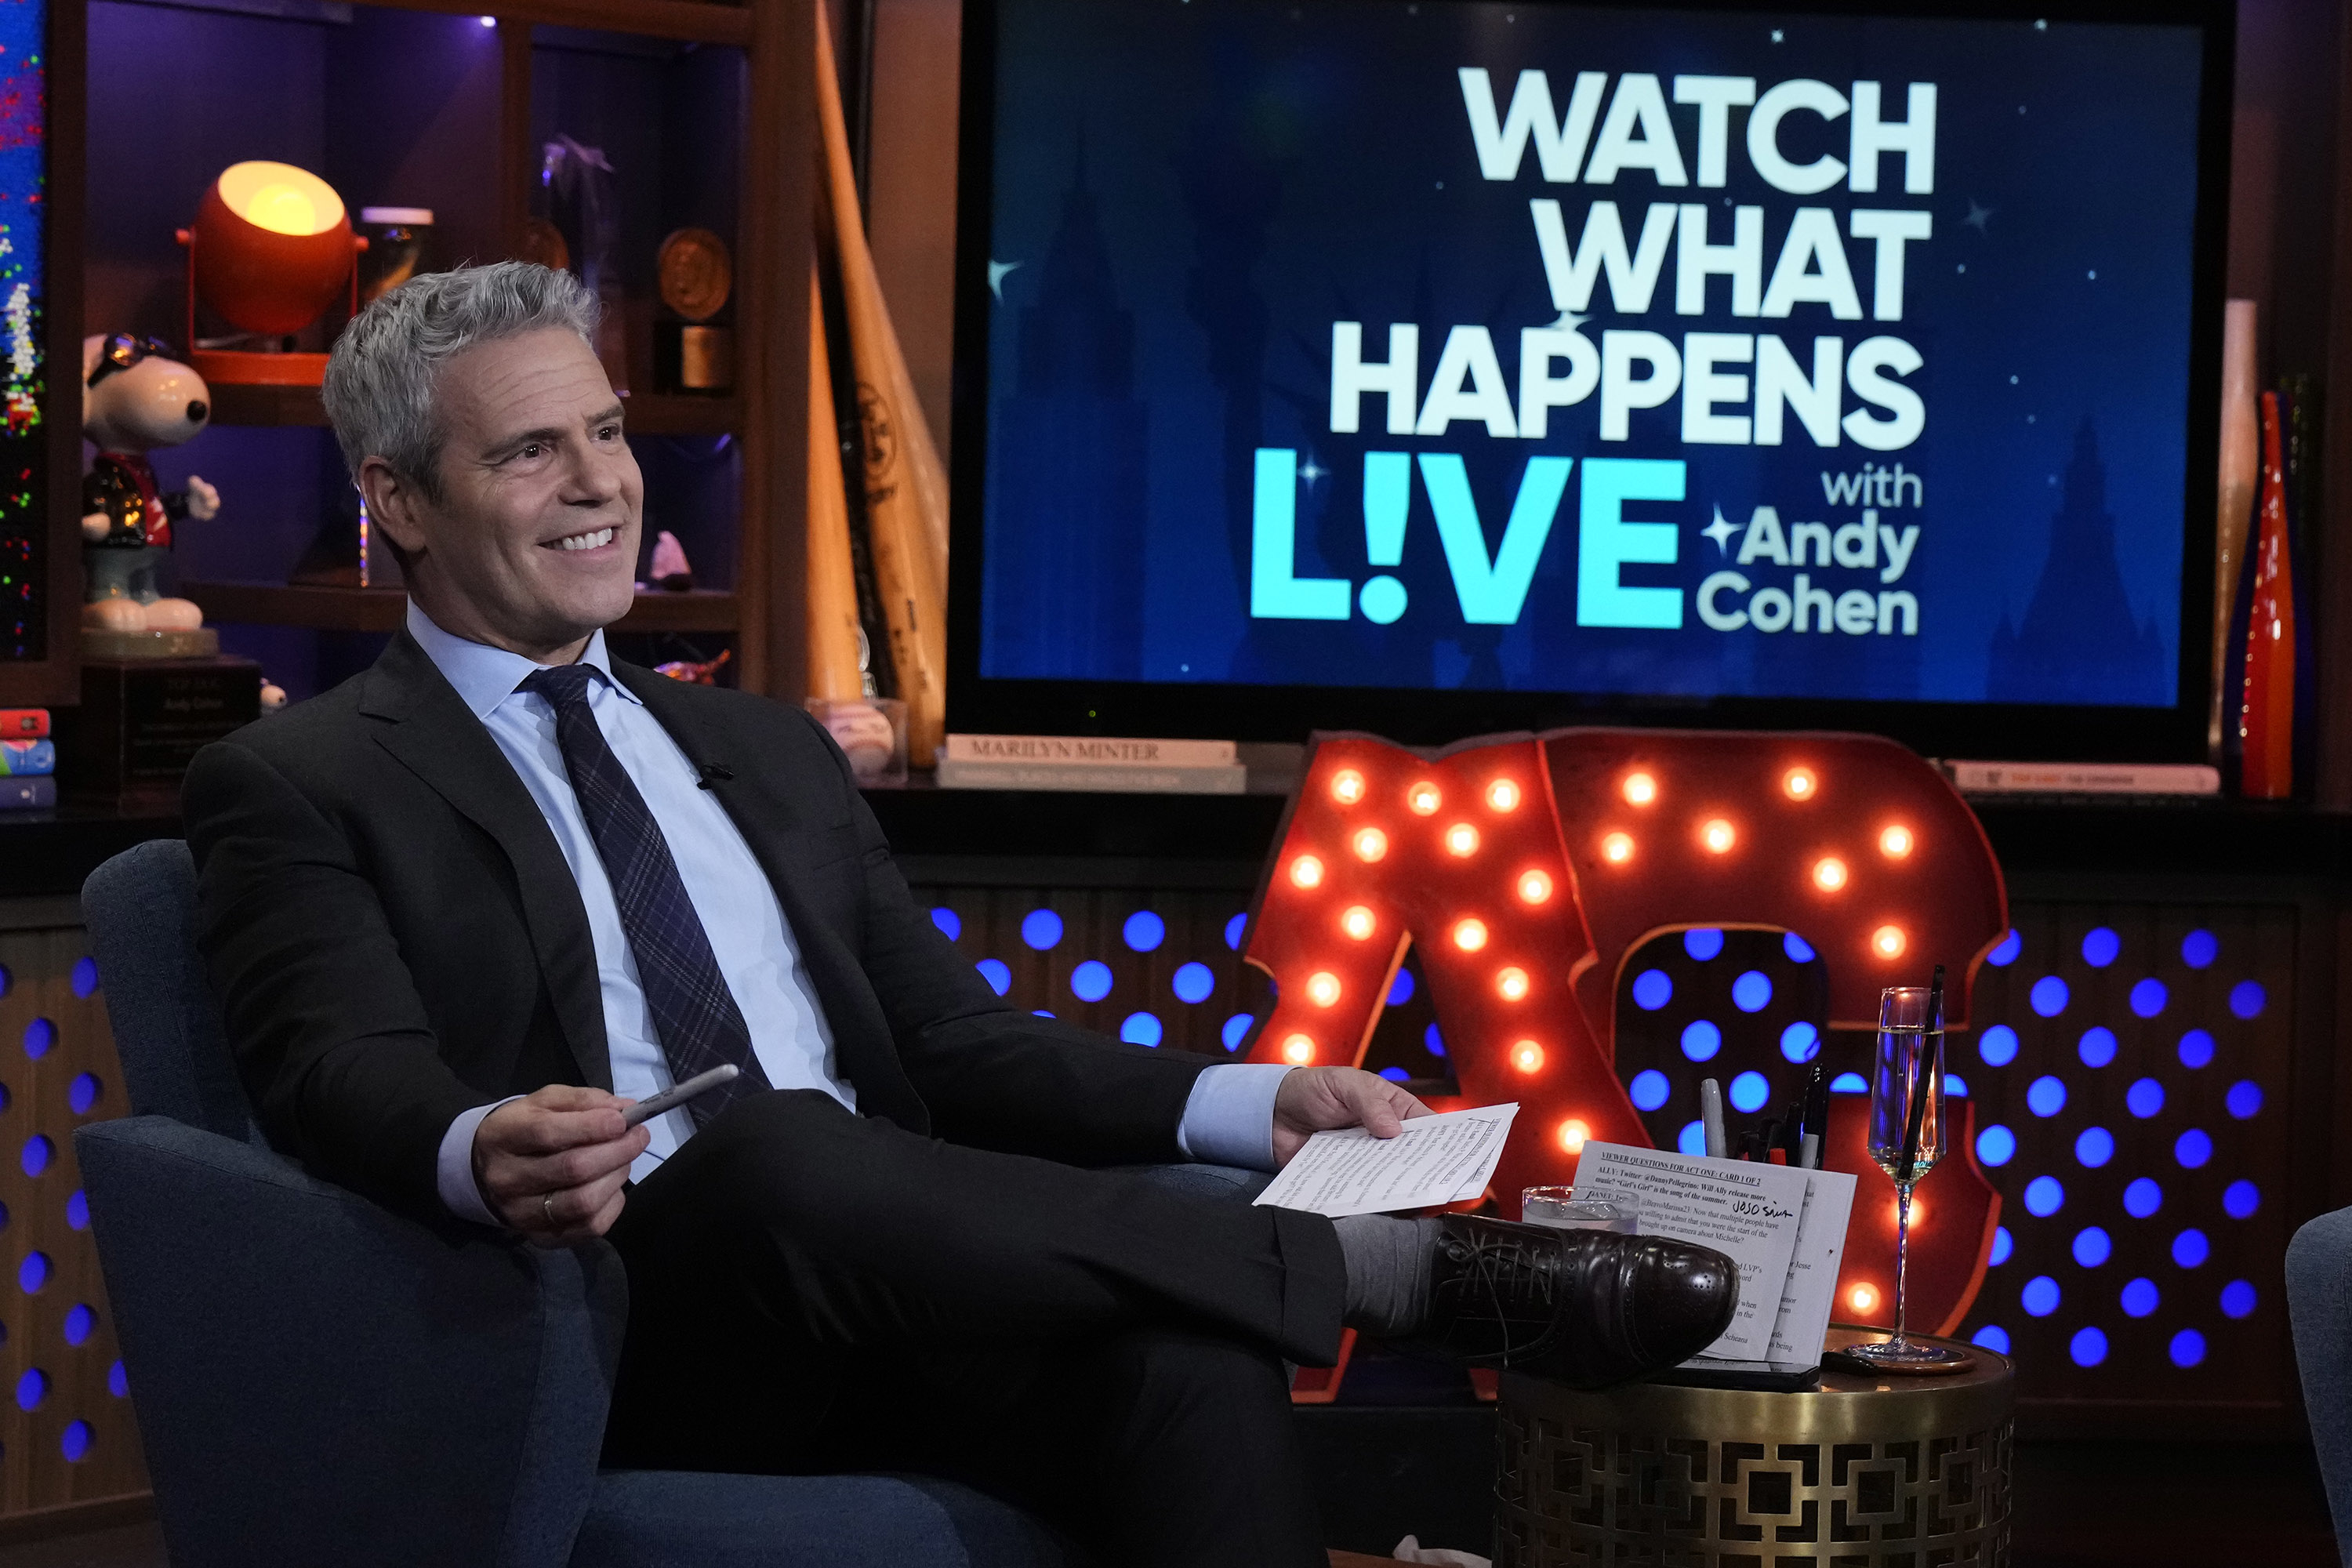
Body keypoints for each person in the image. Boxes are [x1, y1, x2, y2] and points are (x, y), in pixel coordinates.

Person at [183, 262, 1735, 1568]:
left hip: (899, 1288)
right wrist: (483, 1145)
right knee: (772, 1137)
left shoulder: (760, 747)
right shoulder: (302, 778)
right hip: (607, 1326)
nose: (600, 483)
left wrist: (1252, 1100)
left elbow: (951, 1036)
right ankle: (1400, 1279)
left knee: (1180, 1360)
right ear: (398, 497)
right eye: (532, 452)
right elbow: (337, 1066)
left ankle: (1354, 1276)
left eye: (607, 429)